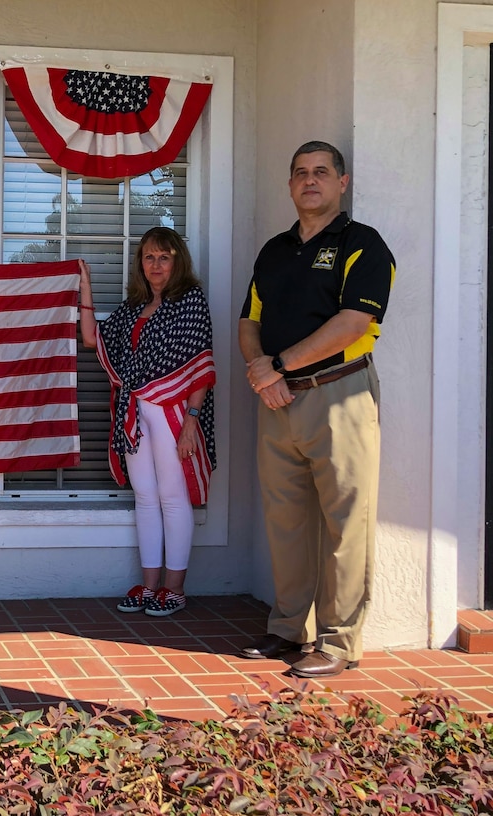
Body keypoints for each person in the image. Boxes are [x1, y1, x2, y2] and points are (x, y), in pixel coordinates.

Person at [237, 140, 394, 678]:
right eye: (300, 172)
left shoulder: (363, 244)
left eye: (322, 172)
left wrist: (277, 365)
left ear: (341, 183)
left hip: (339, 395)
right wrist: (263, 372)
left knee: (347, 522)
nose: (311, 180)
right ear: (290, 185)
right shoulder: (274, 251)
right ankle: (287, 630)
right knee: (286, 522)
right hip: (277, 400)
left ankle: (338, 642)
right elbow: (248, 320)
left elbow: (354, 323)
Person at [80, 227, 217, 617]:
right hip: (135, 411)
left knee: (173, 497)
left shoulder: (191, 301)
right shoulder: (132, 308)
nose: (156, 265)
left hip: (174, 412)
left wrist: (192, 420)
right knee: (145, 498)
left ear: (178, 262)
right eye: (149, 257)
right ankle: (150, 585)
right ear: (140, 264)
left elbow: (200, 366)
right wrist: (84, 287)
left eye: (164, 257)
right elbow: (92, 339)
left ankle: (174, 589)